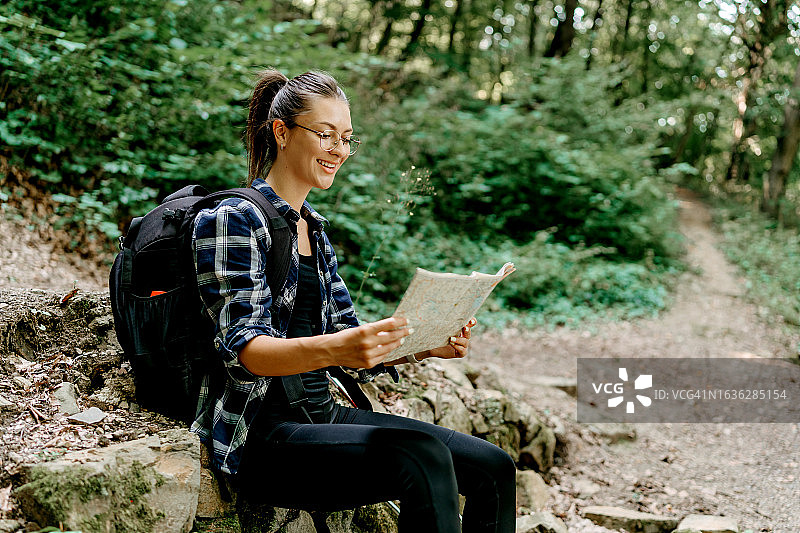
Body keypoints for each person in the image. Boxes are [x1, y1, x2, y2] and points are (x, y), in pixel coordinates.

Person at [190, 69, 516, 532]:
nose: (339, 150)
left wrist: (428, 345)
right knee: (420, 458)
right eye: (326, 135)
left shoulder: (316, 232)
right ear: (282, 133)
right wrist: (340, 347)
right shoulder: (232, 219)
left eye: (346, 138)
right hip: (263, 435)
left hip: (322, 417)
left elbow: (355, 346)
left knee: (494, 468)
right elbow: (248, 352)